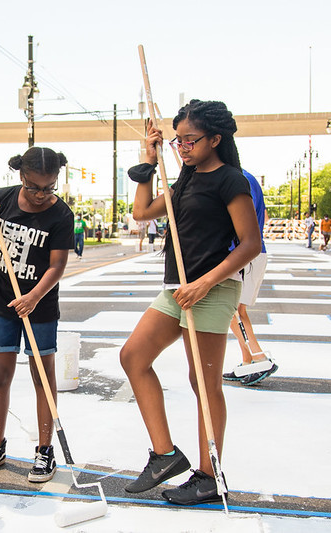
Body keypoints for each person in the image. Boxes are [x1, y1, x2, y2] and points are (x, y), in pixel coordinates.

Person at [119, 100, 260, 506]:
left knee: (204, 382)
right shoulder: (184, 180)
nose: (182, 146)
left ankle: (209, 475)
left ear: (215, 139)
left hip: (212, 289)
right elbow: (142, 212)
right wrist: (148, 163)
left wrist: (204, 283)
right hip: (176, 289)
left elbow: (250, 243)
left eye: (190, 139)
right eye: (178, 139)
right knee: (133, 356)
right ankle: (165, 455)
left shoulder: (230, 181)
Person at [0, 146, 73, 483]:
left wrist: (33, 296)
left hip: (40, 305)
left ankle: (45, 451)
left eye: (49, 187)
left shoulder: (62, 215)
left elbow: (57, 265)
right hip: (3, 300)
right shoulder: (3, 199)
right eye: (34, 187)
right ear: (21, 177)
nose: (42, 194)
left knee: (42, 377)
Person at [224, 169, 277, 386]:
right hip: (249, 252)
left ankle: (259, 357)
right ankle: (248, 362)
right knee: (236, 310)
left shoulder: (236, 179)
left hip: (243, 253)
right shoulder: (245, 177)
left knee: (232, 309)